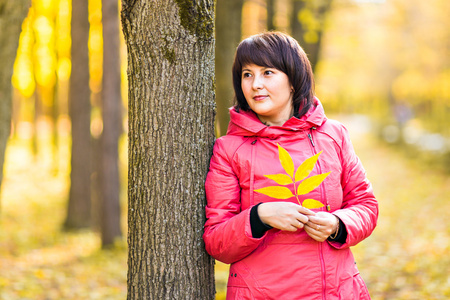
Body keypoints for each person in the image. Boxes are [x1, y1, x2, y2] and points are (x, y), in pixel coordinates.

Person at [203, 31, 378, 299]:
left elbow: (365, 205)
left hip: (337, 291)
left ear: (294, 79)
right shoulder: (229, 149)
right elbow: (217, 241)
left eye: (267, 72)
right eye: (247, 74)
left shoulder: (334, 135)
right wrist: (259, 216)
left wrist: (337, 223)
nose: (256, 84)